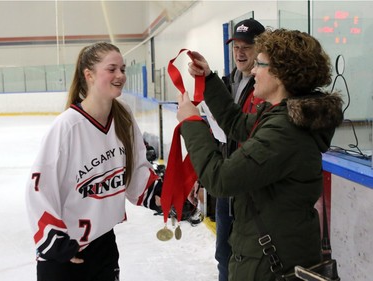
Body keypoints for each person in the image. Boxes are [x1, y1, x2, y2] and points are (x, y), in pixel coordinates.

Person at [176, 28, 344, 280]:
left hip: (270, 265)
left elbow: (220, 179)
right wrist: (209, 79)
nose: (253, 71)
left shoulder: (285, 132)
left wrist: (190, 122)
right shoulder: (280, 117)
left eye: (260, 64)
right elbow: (235, 123)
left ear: (280, 74)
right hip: (271, 255)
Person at [25, 42, 162, 281]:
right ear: (88, 75)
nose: (120, 75)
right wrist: (54, 240)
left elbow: (136, 171)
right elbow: (38, 187)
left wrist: (162, 193)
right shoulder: (67, 126)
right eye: (112, 69)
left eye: (123, 68)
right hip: (64, 252)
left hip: (103, 246)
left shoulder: (124, 116)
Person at [215, 18, 265, 281]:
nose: (240, 52)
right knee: (223, 252)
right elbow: (220, 135)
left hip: (251, 186)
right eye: (236, 46)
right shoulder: (228, 83)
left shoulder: (266, 88)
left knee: (248, 258)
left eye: (247, 46)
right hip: (227, 186)